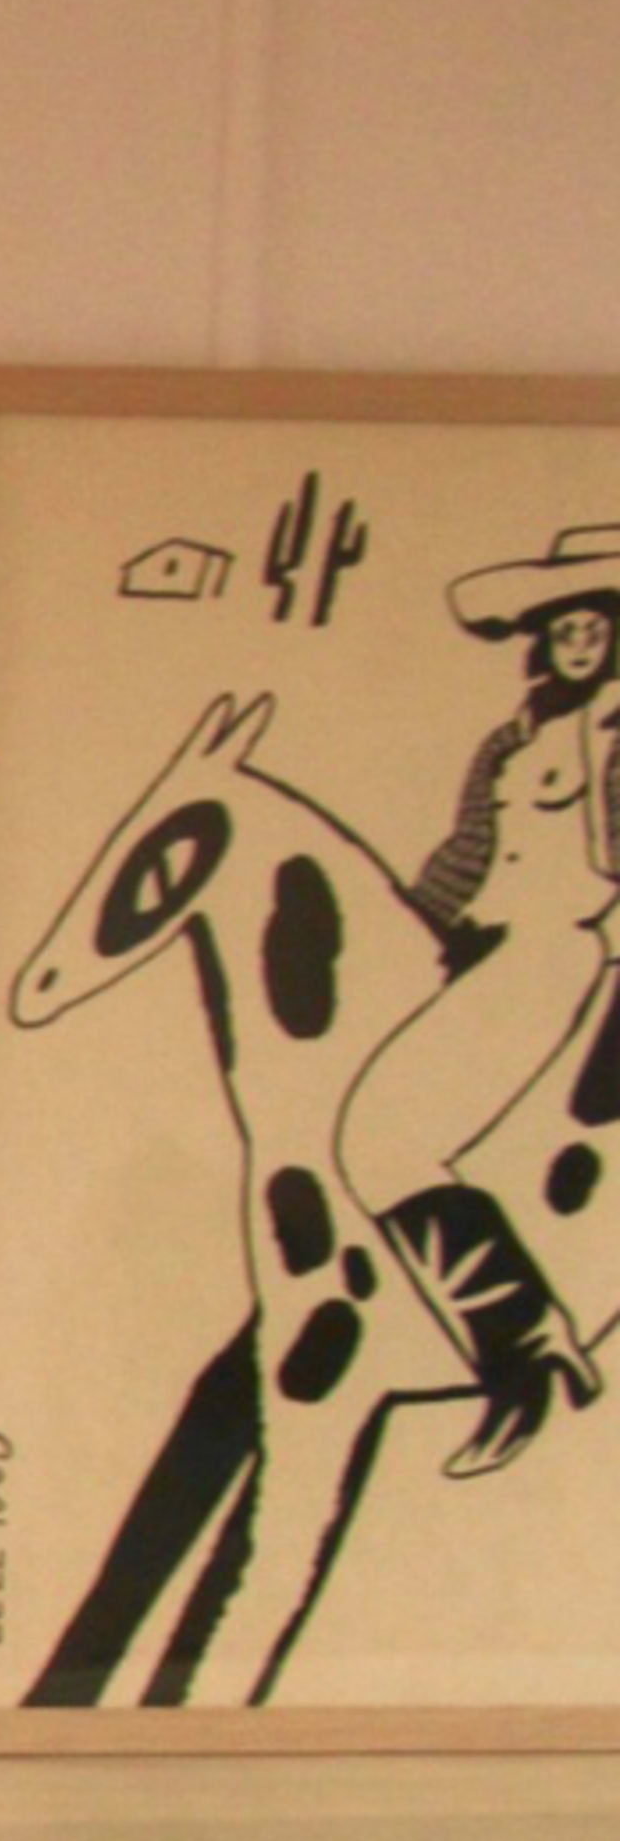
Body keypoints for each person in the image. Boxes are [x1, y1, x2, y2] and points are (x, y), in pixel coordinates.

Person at [342, 528, 620, 1477]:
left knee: (382, 1143)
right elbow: (463, 853)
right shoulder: (512, 738)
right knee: (369, 1141)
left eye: (597, 624)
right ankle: (522, 1344)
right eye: (564, 626)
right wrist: (398, 931)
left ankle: (526, 1350)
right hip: (483, 954)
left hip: (549, 958)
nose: (580, 640)